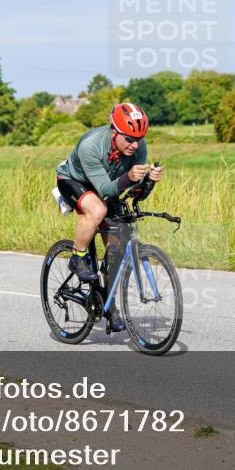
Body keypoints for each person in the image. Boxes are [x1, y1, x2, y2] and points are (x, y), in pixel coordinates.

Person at [55, 103, 163, 330]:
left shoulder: (138, 147)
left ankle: (109, 306)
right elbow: (104, 190)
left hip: (108, 185)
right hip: (74, 181)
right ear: (114, 132)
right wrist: (130, 178)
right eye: (129, 139)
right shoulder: (91, 145)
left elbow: (135, 194)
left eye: (139, 139)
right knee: (98, 210)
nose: (135, 145)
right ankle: (78, 257)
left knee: (116, 250)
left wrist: (148, 181)